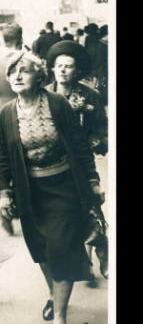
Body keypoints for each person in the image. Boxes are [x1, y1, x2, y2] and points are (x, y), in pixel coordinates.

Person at [0, 50, 104, 324]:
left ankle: (59, 319)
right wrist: (4, 191)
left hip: (64, 187)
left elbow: (80, 146)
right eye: (12, 71)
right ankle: (53, 294)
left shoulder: (57, 104)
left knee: (61, 248)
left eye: (24, 70)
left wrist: (93, 181)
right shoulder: (6, 112)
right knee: (42, 250)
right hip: (30, 193)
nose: (16, 76)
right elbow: (2, 155)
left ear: (38, 75)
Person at [45, 40, 108, 283]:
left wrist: (90, 144)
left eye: (68, 66)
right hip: (53, 163)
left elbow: (101, 129)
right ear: (52, 69)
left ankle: (95, 254)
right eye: (58, 65)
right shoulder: (44, 93)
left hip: (81, 164)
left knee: (88, 207)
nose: (62, 70)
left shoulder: (89, 95)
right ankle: (84, 258)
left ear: (76, 71)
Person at [0, 23, 23, 235]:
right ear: (20, 38)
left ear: (3, 39)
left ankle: (7, 211)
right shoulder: (26, 61)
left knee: (6, 162)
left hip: (2, 116)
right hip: (22, 112)